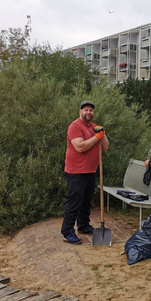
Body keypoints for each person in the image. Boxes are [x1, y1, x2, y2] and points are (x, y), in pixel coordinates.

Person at [61, 100, 109, 244]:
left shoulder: (94, 127)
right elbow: (80, 147)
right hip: (76, 171)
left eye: (91, 110)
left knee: (86, 201)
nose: (89, 112)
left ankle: (83, 225)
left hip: (90, 170)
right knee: (74, 202)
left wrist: (102, 133)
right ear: (80, 112)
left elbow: (105, 147)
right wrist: (96, 137)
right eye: (86, 110)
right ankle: (67, 231)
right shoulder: (75, 126)